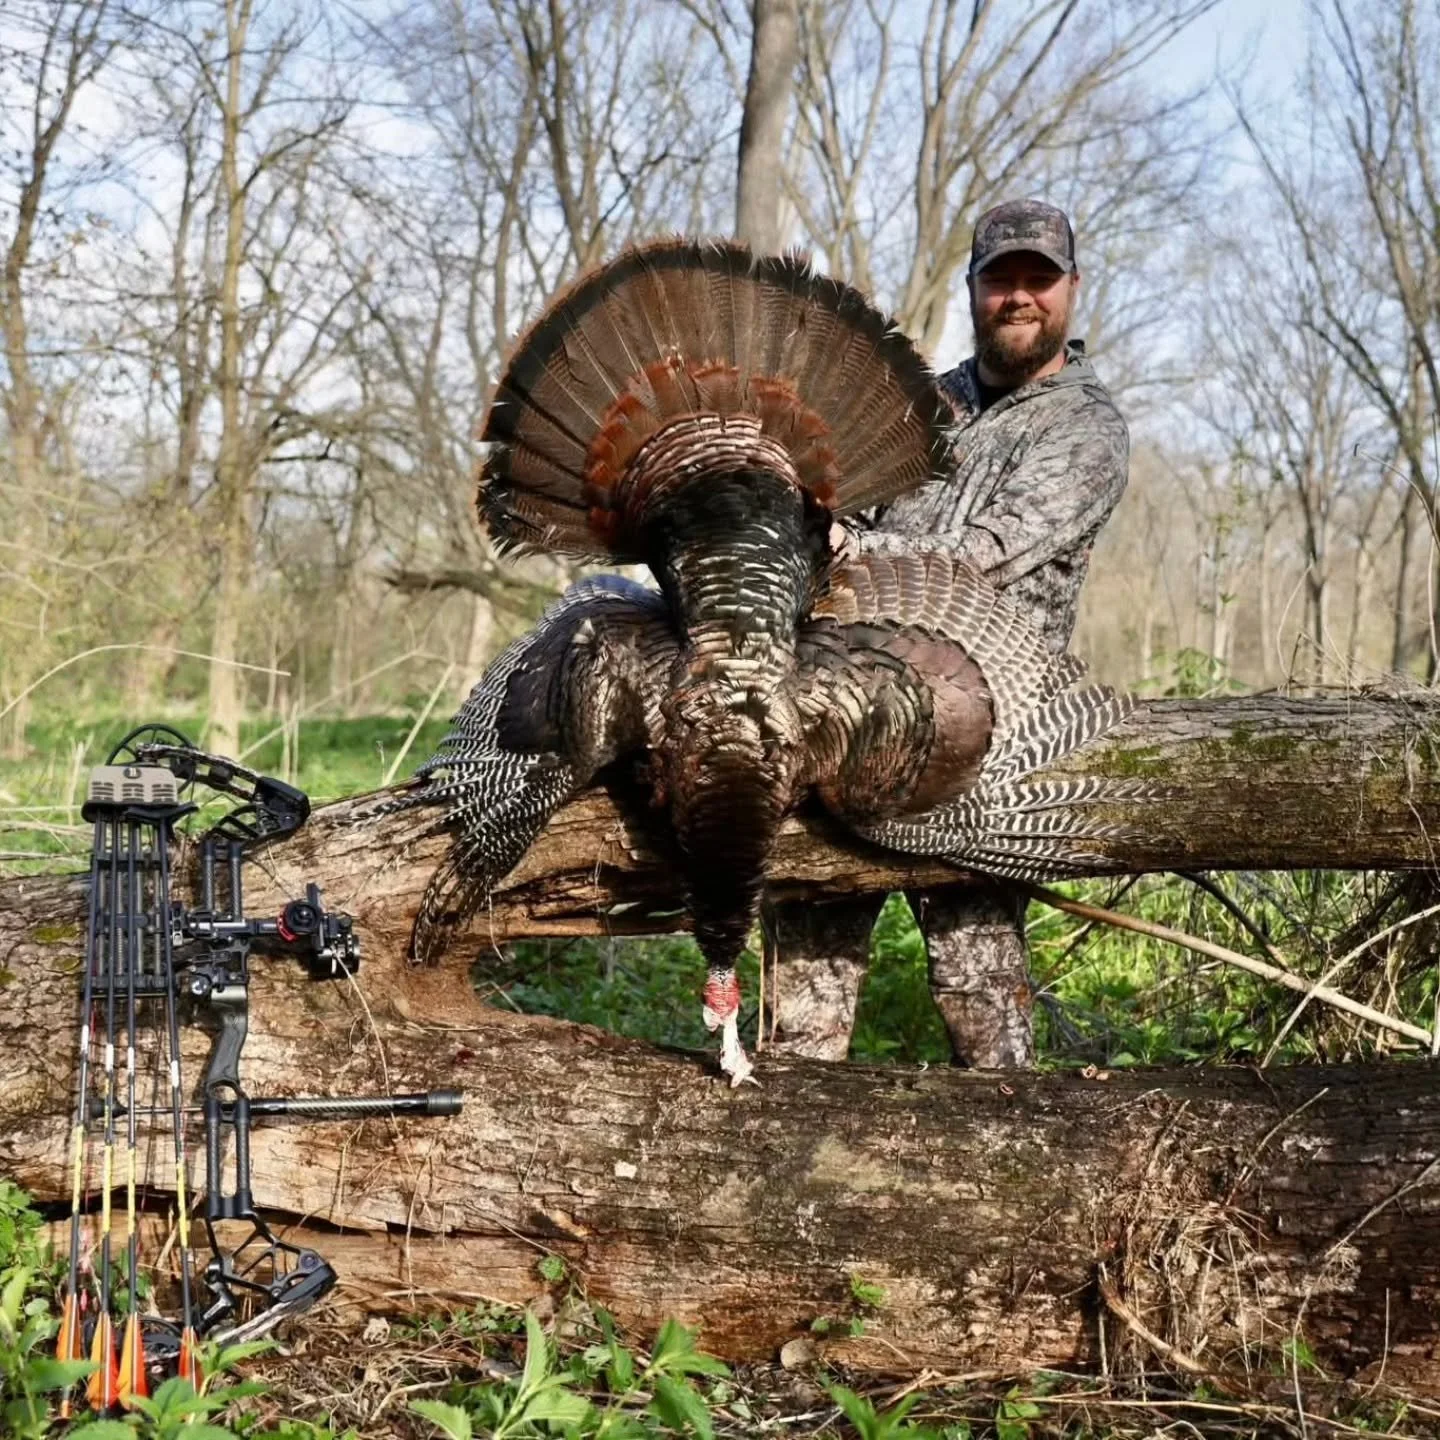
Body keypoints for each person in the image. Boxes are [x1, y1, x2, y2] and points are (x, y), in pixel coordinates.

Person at [768, 198, 1131, 1068]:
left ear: (1071, 291)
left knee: (982, 1006)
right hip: (849, 718)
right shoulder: (919, 407)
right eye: (1000, 279)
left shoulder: (1087, 428)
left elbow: (983, 558)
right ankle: (781, 1168)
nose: (1018, 298)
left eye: (1037, 281)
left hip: (986, 746)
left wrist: (855, 545)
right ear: (972, 289)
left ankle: (1007, 1166)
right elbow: (832, 509)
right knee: (802, 1006)